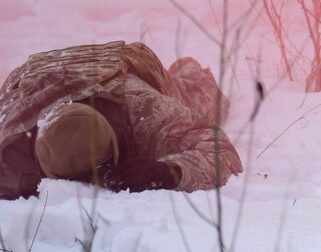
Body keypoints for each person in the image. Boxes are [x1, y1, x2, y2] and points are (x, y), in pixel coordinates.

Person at [0, 42, 241, 199]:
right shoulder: (8, 153)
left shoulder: (145, 111)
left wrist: (167, 172)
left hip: (121, 66)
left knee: (202, 100)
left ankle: (187, 69)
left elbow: (221, 153)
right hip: (35, 74)